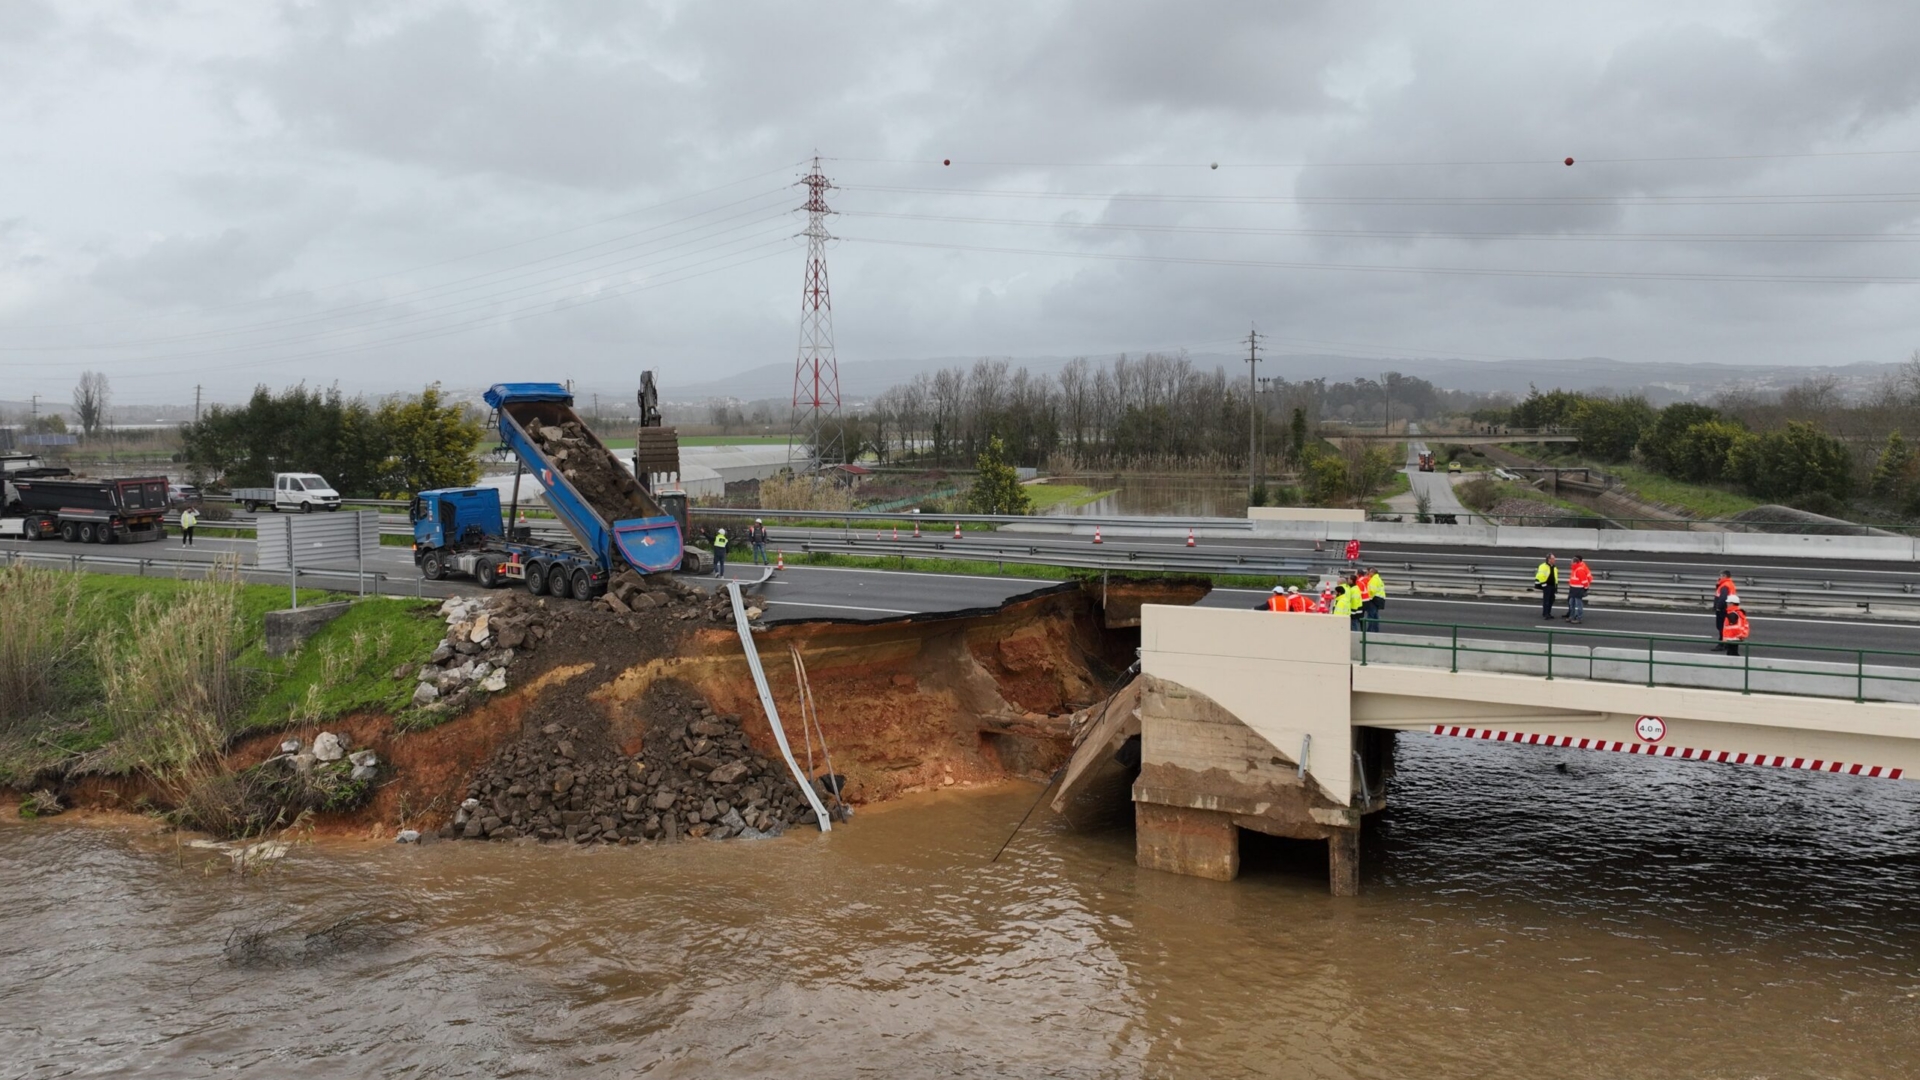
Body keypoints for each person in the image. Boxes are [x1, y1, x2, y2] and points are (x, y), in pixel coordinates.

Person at [1565, 556, 1592, 624]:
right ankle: (1572, 616)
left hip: (1578, 589)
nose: (1570, 563)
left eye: (1572, 562)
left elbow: (1584, 580)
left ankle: (1579, 618)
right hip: (1573, 589)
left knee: (1578, 604)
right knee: (1572, 603)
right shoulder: (1575, 569)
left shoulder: (1579, 570)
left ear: (1575, 562)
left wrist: (1585, 588)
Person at [1534, 553, 1559, 621]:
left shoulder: (1554, 567)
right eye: (1553, 558)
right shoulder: (1543, 566)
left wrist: (1556, 586)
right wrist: (1544, 584)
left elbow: (1555, 577)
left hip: (1552, 586)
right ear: (1549, 559)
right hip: (1547, 586)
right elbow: (1540, 575)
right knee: (1546, 600)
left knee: (1551, 600)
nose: (1555, 559)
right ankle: (1545, 613)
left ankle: (1548, 613)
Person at [1712, 570, 1735, 642]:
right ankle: (1725, 641)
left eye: (1721, 576)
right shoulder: (1728, 584)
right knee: (1724, 626)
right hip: (1728, 608)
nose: (1719, 577)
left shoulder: (1725, 585)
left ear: (1724, 576)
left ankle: (1722, 642)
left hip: (1723, 609)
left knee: (1721, 626)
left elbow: (1723, 597)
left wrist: (1718, 607)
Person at [1364, 566, 1386, 632]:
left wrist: (1368, 598)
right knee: (1375, 615)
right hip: (1379, 599)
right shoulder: (1378, 579)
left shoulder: (1374, 579)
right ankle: (1376, 630)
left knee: (1371, 615)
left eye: (1370, 572)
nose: (1369, 573)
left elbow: (1372, 591)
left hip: (1374, 599)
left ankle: (1369, 631)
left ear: (1372, 572)